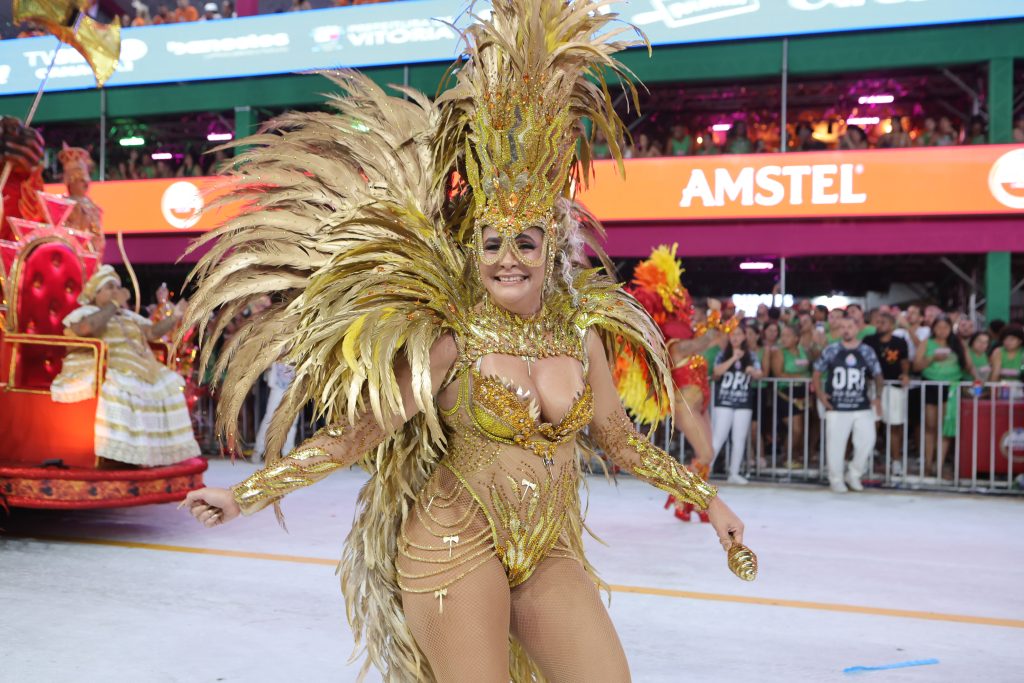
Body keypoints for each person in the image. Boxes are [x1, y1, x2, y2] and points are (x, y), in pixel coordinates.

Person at [179, 4, 748, 680]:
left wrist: (708, 499)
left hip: (549, 549)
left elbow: (621, 442)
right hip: (452, 544)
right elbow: (355, 436)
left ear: (550, 248)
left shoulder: (581, 337)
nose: (508, 258)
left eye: (526, 242)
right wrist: (243, 494)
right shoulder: (450, 342)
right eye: (492, 242)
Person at [620, 245, 735, 523]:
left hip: (700, 404)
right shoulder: (676, 345)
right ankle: (682, 497)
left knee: (706, 457)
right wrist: (716, 318)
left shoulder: (687, 337)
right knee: (705, 453)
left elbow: (712, 337)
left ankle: (692, 503)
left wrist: (722, 321)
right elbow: (705, 340)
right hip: (686, 407)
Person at [50, 266, 200, 468]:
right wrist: (113, 304)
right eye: (110, 287)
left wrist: (176, 315)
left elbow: (152, 333)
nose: (116, 291)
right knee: (120, 387)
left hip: (143, 369)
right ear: (96, 294)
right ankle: (117, 457)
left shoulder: (128, 316)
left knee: (171, 387)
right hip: (110, 367)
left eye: (118, 287)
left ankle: (154, 455)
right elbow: (86, 329)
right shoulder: (86, 313)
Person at [813, 316, 883, 492]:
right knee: (835, 444)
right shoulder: (831, 349)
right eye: (843, 327)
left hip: (861, 404)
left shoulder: (867, 351)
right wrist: (821, 394)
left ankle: (854, 474)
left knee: (867, 440)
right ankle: (835, 478)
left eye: (850, 326)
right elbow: (816, 372)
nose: (846, 330)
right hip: (837, 406)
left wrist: (878, 397)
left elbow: (877, 374)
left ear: (857, 328)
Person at [913, 315, 973, 478]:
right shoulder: (926, 343)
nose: (942, 331)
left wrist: (978, 380)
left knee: (945, 427)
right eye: (938, 327)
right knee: (930, 426)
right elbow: (916, 366)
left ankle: (939, 465)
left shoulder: (957, 343)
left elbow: (968, 366)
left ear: (950, 329)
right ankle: (928, 463)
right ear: (933, 329)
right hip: (931, 386)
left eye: (945, 327)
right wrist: (932, 358)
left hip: (952, 387)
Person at [710, 323, 763, 484]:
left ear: (744, 337)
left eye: (739, 334)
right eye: (732, 334)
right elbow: (716, 372)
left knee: (739, 438)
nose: (735, 337)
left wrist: (752, 371)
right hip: (724, 401)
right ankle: (706, 468)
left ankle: (734, 472)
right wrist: (734, 357)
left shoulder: (752, 356)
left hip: (743, 402)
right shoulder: (722, 354)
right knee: (718, 437)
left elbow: (760, 373)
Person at [864, 313, 910, 477]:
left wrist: (905, 374)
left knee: (894, 425)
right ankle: (866, 458)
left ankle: (896, 461)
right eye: (878, 322)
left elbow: (904, 361)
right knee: (871, 424)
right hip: (873, 387)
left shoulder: (899, 342)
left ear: (892, 325)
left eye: (883, 322)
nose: (879, 325)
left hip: (894, 387)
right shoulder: (869, 340)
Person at [771, 324, 811, 468]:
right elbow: (779, 374)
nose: (784, 339)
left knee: (801, 428)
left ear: (796, 338)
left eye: (787, 336)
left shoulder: (803, 351)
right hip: (786, 393)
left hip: (802, 393)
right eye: (783, 336)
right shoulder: (779, 353)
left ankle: (793, 456)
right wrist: (801, 376)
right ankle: (785, 457)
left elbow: (810, 369)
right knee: (796, 429)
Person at [253, 361, 299, 461]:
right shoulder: (277, 347)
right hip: (277, 388)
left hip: (294, 388)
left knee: (291, 421)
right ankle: (258, 450)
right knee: (269, 419)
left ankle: (287, 452)